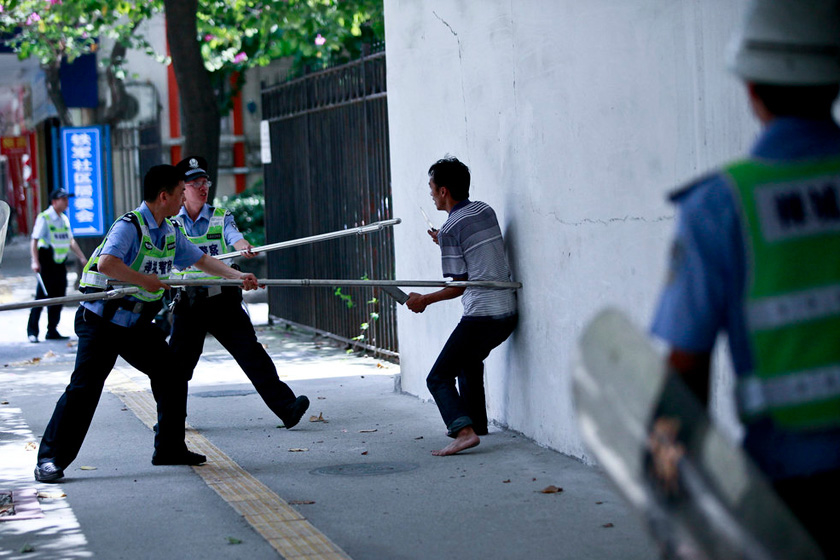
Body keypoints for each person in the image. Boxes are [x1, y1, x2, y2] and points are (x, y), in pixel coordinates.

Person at [650, 1, 840, 555]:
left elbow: (685, 374)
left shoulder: (722, 205)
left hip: (791, 496)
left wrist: (672, 497)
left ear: (751, 86)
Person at [35, 165, 260, 483]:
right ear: (164, 195)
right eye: (181, 192)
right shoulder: (130, 226)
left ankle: (169, 448)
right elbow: (107, 262)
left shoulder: (169, 232)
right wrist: (146, 281)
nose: (184, 198)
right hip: (102, 319)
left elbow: (200, 259)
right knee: (85, 389)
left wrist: (238, 277)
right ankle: (50, 459)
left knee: (172, 375)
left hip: (136, 324)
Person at [168, 156, 309, 429]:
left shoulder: (221, 217)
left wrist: (244, 245)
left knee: (251, 353)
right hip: (189, 302)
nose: (202, 187)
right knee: (177, 367)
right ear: (181, 189)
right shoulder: (172, 223)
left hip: (223, 299)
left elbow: (235, 237)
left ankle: (287, 407)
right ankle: (170, 421)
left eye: (204, 181)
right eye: (194, 182)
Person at [406, 156, 517, 456]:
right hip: (507, 312)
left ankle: (463, 432)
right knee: (468, 362)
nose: (430, 194)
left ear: (443, 191)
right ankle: (476, 423)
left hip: (482, 315)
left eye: (431, 188)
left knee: (438, 377)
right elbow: (475, 250)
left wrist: (424, 300)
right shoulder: (485, 210)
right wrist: (445, 241)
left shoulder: (451, 228)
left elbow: (459, 285)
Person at [27, 188, 87, 342]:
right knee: (42, 297)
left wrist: (81, 257)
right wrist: (35, 261)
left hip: (60, 262)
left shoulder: (64, 219)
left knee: (59, 296)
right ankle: (32, 331)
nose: (67, 202)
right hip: (46, 261)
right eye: (63, 199)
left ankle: (52, 330)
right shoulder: (45, 218)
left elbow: (70, 240)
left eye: (67, 199)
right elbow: (34, 240)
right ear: (54, 201)